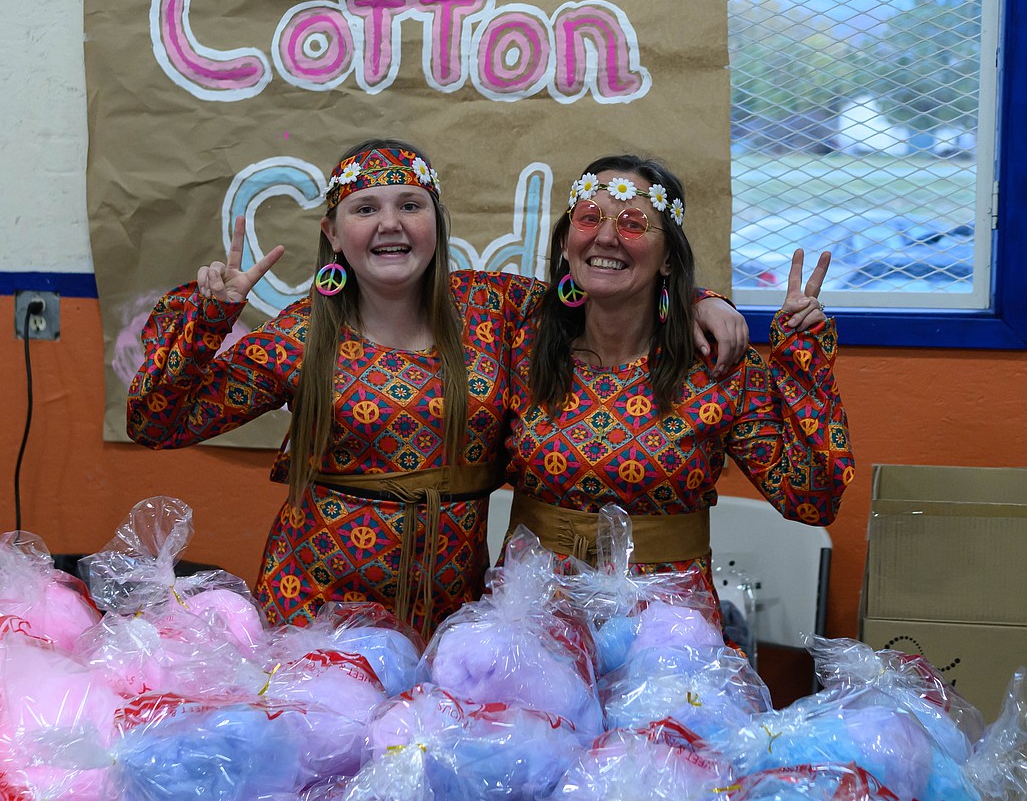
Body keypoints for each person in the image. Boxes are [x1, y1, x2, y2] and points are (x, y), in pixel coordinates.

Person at [127, 138, 749, 636]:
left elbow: (606, 282)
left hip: (456, 614)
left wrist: (701, 298)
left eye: (409, 205)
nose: (389, 223)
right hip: (316, 605)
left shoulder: (493, 310)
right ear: (333, 233)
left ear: (436, 223)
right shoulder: (305, 333)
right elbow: (156, 423)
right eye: (365, 208)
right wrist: (208, 318)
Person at [505, 153, 854, 610]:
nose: (606, 236)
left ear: (668, 256)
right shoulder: (518, 335)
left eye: (633, 224)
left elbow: (811, 497)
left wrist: (802, 353)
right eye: (590, 218)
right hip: (529, 621)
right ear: (567, 243)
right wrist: (701, 299)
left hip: (666, 632)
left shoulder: (716, 362)